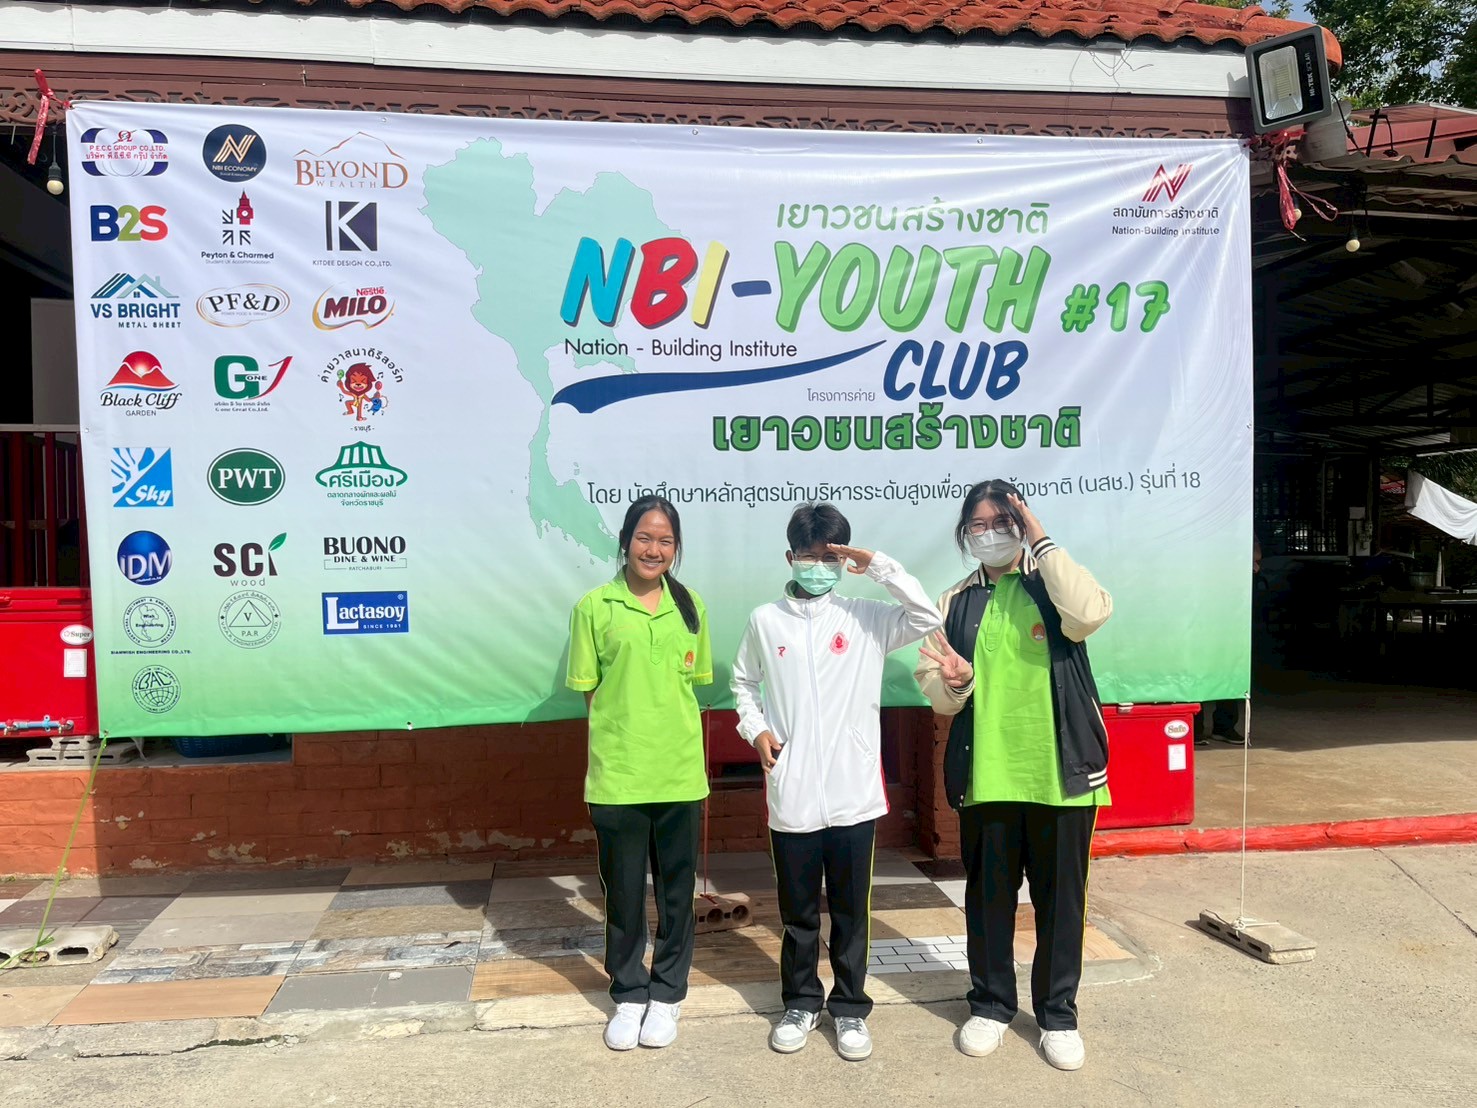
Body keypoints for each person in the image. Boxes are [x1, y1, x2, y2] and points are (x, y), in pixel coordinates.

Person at [731, 502, 942, 1062]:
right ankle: (801, 1002)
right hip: (793, 793)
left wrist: (879, 567)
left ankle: (849, 1007)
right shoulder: (765, 621)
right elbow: (743, 682)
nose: (820, 567)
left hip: (853, 796)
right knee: (799, 913)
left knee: (851, 912)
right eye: (810, 556)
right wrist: (756, 729)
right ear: (790, 558)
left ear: (844, 560)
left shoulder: (865, 616)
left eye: (831, 557)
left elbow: (926, 616)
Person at [915, 479, 1112, 1072]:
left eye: (1003, 522)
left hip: (1061, 777)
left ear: (1023, 525)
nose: (990, 534)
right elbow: (936, 695)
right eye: (978, 525)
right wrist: (954, 682)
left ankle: (1058, 1015)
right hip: (988, 776)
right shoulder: (953, 602)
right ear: (964, 534)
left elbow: (1090, 614)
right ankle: (991, 1005)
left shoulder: (1051, 582)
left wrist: (1042, 541)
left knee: (1061, 904)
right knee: (988, 900)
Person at [566, 495, 713, 1051]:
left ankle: (668, 994)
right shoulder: (594, 607)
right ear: (626, 541)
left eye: (665, 541)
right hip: (620, 777)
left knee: (677, 896)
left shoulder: (691, 607)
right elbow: (591, 695)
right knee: (624, 895)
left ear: (676, 549)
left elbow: (692, 689)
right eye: (645, 538)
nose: (654, 550)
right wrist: (618, 747)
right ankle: (628, 994)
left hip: (679, 773)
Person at [1199, 535, 1261, 747]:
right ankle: (1195, 728)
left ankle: (1223, 727)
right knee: (1196, 669)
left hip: (1230, 615)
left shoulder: (1237, 530)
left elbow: (1256, 554)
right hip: (1198, 612)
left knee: (1228, 670)